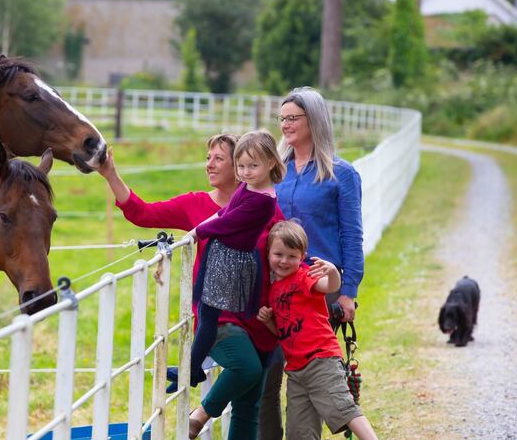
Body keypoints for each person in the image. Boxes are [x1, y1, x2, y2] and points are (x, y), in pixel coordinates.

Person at [98, 133, 283, 439]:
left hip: (259, 314)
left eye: (219, 159)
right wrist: (111, 174)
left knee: (249, 405)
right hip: (221, 314)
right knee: (246, 369)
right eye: (208, 157)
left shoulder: (263, 204)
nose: (210, 165)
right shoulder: (194, 204)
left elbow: (286, 251)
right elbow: (142, 213)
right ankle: (200, 414)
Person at [259, 86, 365, 439]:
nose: (286, 124)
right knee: (272, 377)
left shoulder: (341, 173)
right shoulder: (277, 171)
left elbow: (352, 236)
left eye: (293, 118)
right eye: (282, 118)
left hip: (320, 292)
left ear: (313, 121)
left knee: (316, 379)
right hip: (277, 289)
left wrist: (347, 291)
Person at [257, 220, 377, 440]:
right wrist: (268, 322)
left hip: (320, 360)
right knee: (299, 432)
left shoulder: (304, 277)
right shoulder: (273, 291)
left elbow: (329, 286)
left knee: (343, 409)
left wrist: (332, 272)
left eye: (292, 256)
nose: (284, 261)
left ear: (302, 257)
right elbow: (283, 333)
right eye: (279, 254)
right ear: (268, 253)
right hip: (295, 370)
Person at [185, 131, 284, 391]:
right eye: (241, 166)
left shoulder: (264, 201)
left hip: (231, 262)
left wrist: (198, 232)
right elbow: (224, 211)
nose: (247, 172)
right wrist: (201, 228)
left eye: (253, 166)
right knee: (206, 314)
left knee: (208, 315)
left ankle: (192, 369)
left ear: (271, 163)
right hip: (221, 255)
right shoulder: (247, 186)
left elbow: (229, 222)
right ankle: (194, 367)